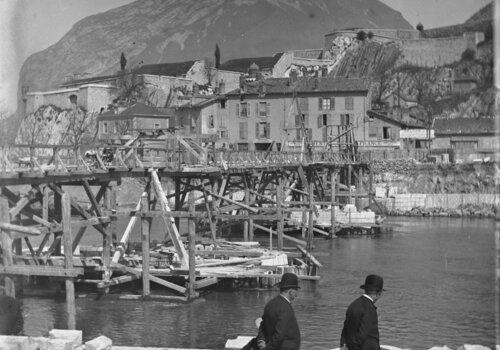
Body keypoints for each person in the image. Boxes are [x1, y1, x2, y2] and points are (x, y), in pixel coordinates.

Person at [255, 272, 301, 350]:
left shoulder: (270, 304)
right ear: (291, 291)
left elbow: (262, 325)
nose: (296, 294)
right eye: (296, 290)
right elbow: (279, 335)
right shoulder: (285, 308)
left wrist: (261, 340)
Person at [340, 274, 385, 350]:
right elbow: (363, 335)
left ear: (365, 289)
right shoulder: (370, 309)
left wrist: (343, 345)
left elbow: (345, 329)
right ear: (379, 293)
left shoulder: (353, 305)